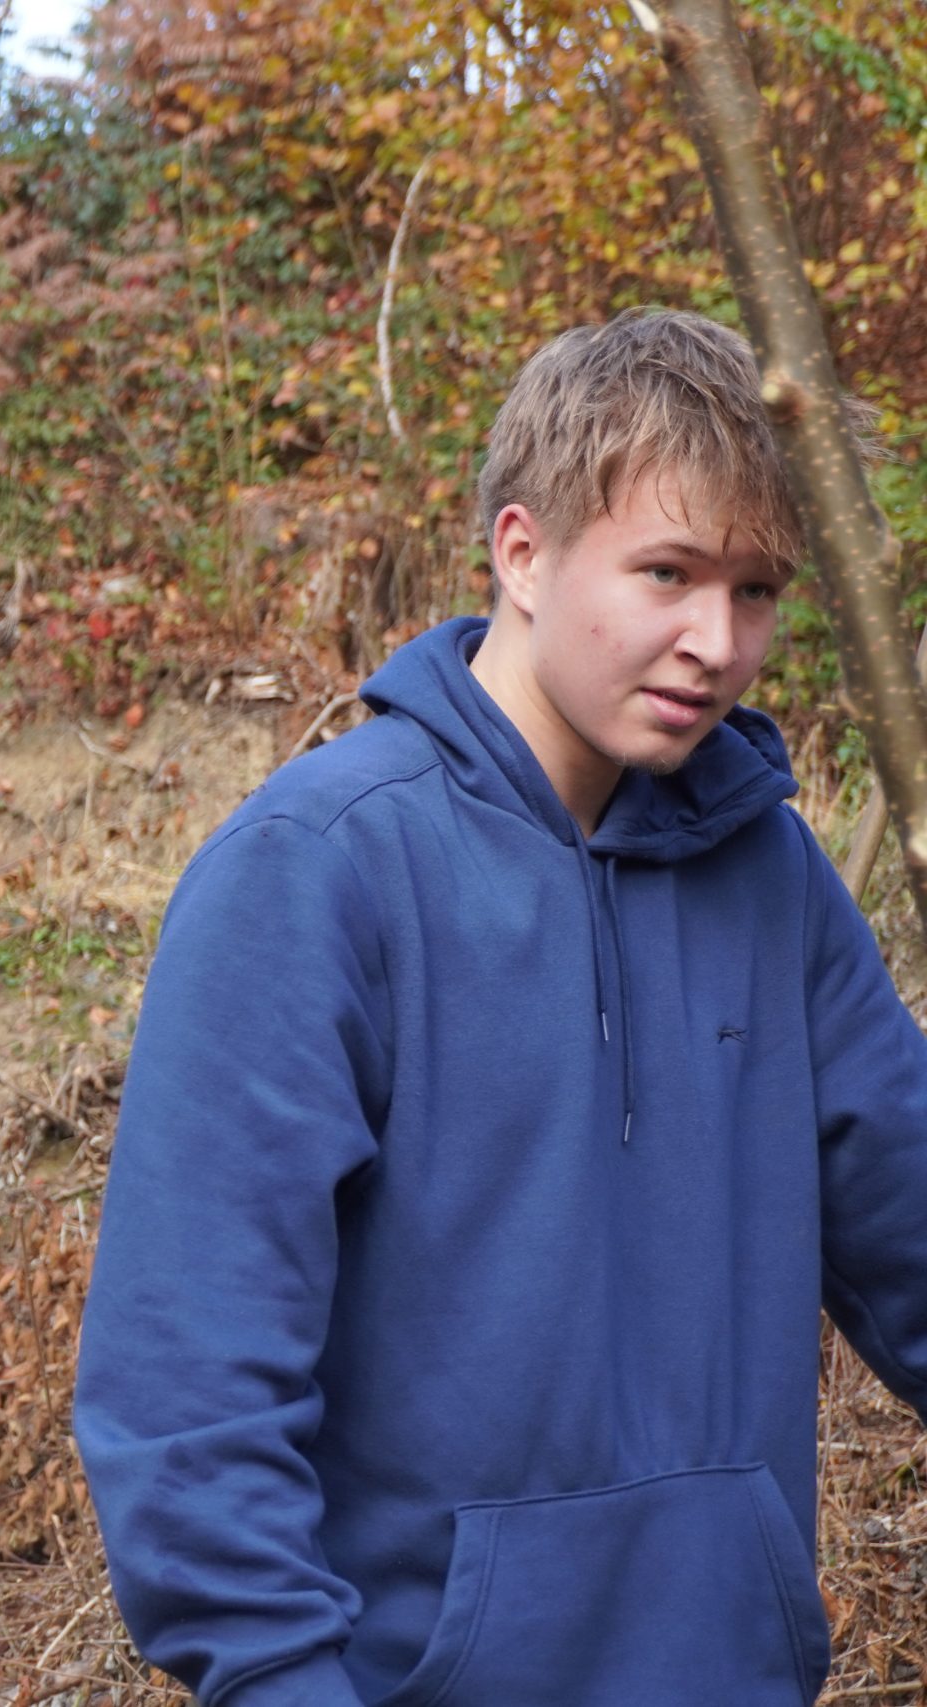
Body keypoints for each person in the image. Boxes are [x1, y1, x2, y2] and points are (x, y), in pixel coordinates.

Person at [73, 308, 927, 1707]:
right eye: (668, 572)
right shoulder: (317, 871)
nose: (716, 641)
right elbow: (187, 1401)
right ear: (522, 553)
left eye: (759, 589)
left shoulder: (771, 873)